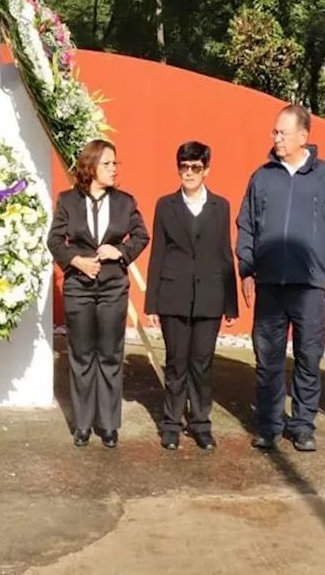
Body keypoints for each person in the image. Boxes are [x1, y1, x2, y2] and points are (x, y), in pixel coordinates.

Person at [237, 104, 325, 453]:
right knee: (268, 358)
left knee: (308, 357)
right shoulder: (262, 177)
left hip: (310, 286)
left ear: (304, 136)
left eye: (282, 133)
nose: (276, 138)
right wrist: (246, 268)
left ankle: (302, 425)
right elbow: (247, 225)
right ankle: (270, 425)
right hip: (270, 284)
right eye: (274, 132)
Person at [48, 139, 150, 449]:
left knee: (109, 354)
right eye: (107, 164)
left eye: (115, 164)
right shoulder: (68, 200)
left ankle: (107, 424)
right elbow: (55, 240)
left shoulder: (125, 202)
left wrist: (118, 252)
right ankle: (82, 424)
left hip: (112, 288)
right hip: (79, 287)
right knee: (81, 355)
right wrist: (75, 260)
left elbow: (142, 236)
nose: (113, 169)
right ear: (91, 167)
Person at [144, 141, 238, 452]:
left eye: (195, 168)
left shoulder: (221, 206)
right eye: (184, 167)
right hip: (174, 295)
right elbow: (158, 253)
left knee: (202, 364)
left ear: (206, 170)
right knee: (176, 364)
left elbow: (226, 254)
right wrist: (152, 302)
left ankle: (200, 424)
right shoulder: (165, 205)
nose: (189, 173)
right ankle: (171, 424)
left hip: (210, 296)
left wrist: (230, 302)